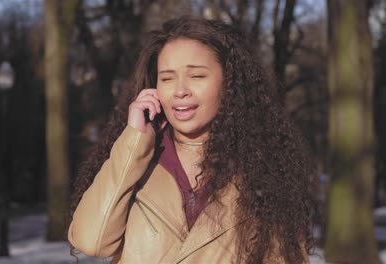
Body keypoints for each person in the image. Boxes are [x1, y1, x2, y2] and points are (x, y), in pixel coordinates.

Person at [68, 16, 318, 264]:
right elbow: (91, 241)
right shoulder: (138, 161)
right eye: (167, 78)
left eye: (197, 76)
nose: (179, 90)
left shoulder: (262, 173)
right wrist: (134, 143)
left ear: (229, 83)